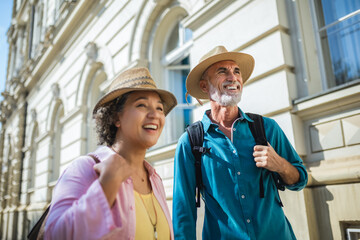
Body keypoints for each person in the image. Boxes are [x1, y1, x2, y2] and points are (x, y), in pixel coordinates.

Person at [172, 46, 308, 240]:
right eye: (222, 71)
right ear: (204, 86)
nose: (233, 77)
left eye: (236, 71)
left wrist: (280, 165)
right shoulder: (190, 142)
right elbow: (183, 210)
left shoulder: (267, 128)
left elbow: (300, 180)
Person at [44, 67, 177, 239]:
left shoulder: (155, 179)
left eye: (159, 108)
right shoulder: (87, 168)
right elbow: (55, 235)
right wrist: (107, 185)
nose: (155, 115)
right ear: (116, 118)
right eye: (141, 105)